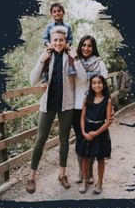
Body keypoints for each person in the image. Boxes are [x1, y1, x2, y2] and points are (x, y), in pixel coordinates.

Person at [26, 28, 74, 194]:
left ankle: (62, 174)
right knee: (40, 140)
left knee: (64, 139)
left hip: (66, 105)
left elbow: (81, 78)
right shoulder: (46, 56)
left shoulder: (70, 57)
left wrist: (75, 57)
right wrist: (41, 59)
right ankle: (31, 176)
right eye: (55, 40)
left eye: (61, 40)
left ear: (65, 41)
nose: (58, 43)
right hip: (48, 105)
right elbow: (33, 79)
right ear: (51, 41)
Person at [70, 35, 108, 184]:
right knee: (80, 140)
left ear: (93, 48)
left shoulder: (99, 63)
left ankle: (90, 173)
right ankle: (82, 172)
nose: (86, 48)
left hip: (93, 108)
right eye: (84, 45)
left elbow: (104, 87)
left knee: (92, 140)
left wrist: (105, 106)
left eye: (89, 46)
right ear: (80, 46)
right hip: (76, 107)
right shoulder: (72, 62)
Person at [78, 75, 112, 194]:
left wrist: (96, 133)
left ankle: (100, 182)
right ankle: (84, 181)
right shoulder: (87, 99)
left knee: (100, 158)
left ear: (103, 84)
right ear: (91, 85)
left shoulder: (107, 100)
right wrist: (83, 132)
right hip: (87, 130)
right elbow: (82, 117)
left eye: (99, 83)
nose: (97, 85)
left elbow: (108, 121)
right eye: (94, 83)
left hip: (100, 131)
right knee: (85, 158)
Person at [41, 2, 76, 82]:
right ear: (52, 14)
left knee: (71, 52)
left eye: (59, 11)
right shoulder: (49, 26)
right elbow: (45, 38)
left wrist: (68, 44)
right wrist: (48, 44)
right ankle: (45, 73)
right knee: (47, 55)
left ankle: (71, 68)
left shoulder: (67, 26)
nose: (57, 13)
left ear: (63, 12)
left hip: (64, 47)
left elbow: (70, 38)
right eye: (54, 11)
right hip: (53, 47)